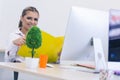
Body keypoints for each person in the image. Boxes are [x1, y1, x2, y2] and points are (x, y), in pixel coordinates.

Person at [4, 6, 40, 80]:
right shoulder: (14, 35)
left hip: (36, 72)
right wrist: (14, 44)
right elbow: (7, 60)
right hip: (20, 73)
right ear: (21, 18)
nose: (32, 22)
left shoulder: (39, 36)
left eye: (35, 19)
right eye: (29, 18)